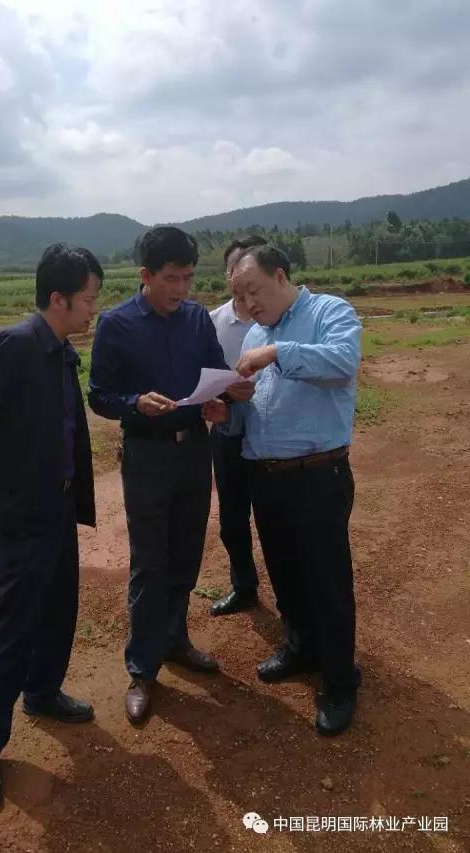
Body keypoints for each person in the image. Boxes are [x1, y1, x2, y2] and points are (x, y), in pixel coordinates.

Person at [0, 244, 101, 801]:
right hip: (17, 514)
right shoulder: (11, 346)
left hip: (57, 506)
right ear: (58, 299)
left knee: (60, 608)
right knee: (15, 625)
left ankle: (42, 692)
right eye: (88, 298)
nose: (93, 308)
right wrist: (1, 485)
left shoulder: (60, 352)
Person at [88, 226, 253, 724]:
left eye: (188, 278)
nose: (181, 289)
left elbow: (215, 373)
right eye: (171, 279)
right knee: (149, 562)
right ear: (146, 275)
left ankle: (176, 639)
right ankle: (142, 669)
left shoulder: (197, 320)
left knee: (185, 552)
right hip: (147, 456)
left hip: (194, 452)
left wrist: (223, 401)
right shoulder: (116, 324)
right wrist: (134, 403)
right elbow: (99, 395)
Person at [203, 244, 362, 736]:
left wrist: (276, 353)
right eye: (239, 296)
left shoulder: (330, 312)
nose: (248, 304)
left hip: (316, 474)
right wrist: (228, 412)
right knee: (286, 572)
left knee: (326, 581)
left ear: (280, 276)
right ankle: (300, 647)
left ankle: (340, 679)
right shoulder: (255, 333)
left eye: (253, 291)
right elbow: (259, 411)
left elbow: (342, 363)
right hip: (265, 475)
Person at [208, 236, 266, 617]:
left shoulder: (276, 319)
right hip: (227, 429)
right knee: (232, 517)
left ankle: (292, 593)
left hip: (270, 430)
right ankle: (243, 585)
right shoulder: (213, 322)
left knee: (276, 515)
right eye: (233, 270)